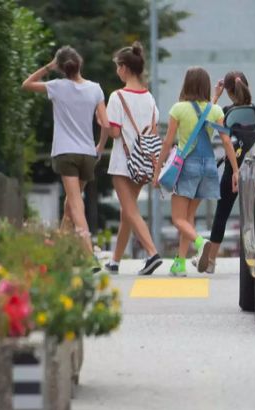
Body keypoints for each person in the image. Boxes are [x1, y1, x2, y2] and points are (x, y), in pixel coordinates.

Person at [22, 46, 108, 267]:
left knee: (75, 206)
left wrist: (48, 67)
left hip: (66, 153)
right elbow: (106, 124)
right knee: (71, 204)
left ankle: (89, 256)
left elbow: (26, 84)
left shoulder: (57, 87)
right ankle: (59, 250)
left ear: (61, 68)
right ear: (80, 64)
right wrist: (99, 147)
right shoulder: (95, 89)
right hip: (88, 154)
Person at [155, 67, 240, 277]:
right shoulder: (216, 111)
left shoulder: (178, 109)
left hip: (187, 166)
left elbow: (167, 142)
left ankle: (201, 243)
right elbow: (226, 141)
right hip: (209, 167)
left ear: (187, 84)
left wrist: (157, 169)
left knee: (177, 219)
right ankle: (180, 264)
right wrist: (236, 171)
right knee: (188, 216)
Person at [193, 71, 255, 274]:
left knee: (222, 215)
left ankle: (211, 261)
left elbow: (202, 123)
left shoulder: (226, 112)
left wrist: (215, 97)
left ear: (227, 91)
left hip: (232, 171)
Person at [102, 42, 163, 276]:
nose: (117, 71)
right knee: (127, 211)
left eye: (118, 66)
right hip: (143, 161)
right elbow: (154, 131)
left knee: (130, 210)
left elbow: (115, 133)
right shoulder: (149, 98)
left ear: (125, 68)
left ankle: (152, 253)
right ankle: (115, 260)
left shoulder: (117, 97)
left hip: (122, 162)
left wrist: (104, 124)